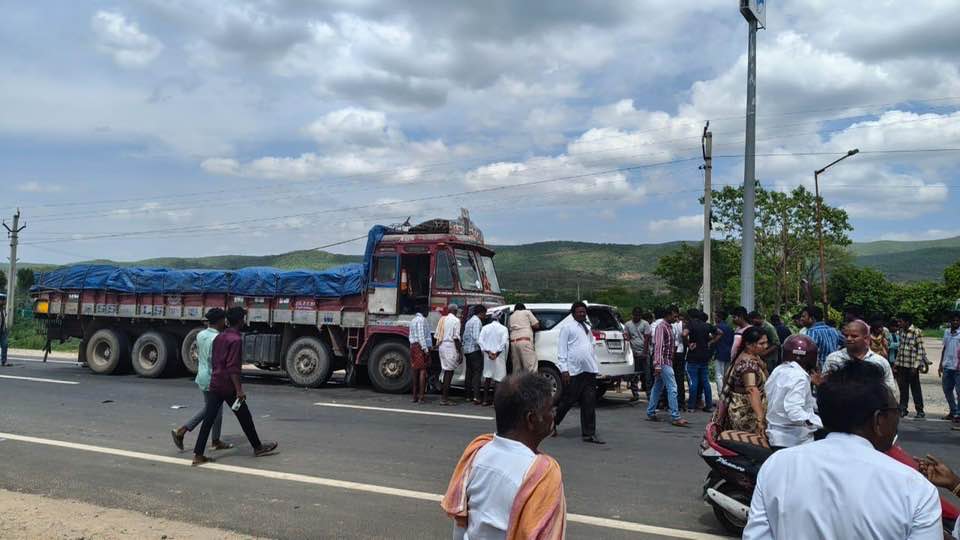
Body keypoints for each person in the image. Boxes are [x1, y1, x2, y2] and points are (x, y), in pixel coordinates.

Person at [743, 362, 941, 540]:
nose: (897, 419)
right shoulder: (914, 488)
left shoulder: (777, 466)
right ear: (879, 420)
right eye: (895, 411)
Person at [441, 373, 566, 539]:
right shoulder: (544, 474)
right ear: (531, 419)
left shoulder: (478, 452)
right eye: (550, 409)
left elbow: (460, 523)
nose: (554, 414)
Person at [192, 307, 277, 466]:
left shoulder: (219, 337)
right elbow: (233, 367)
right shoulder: (235, 340)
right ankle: (258, 448)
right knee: (245, 416)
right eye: (243, 318)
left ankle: (198, 455)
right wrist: (239, 390)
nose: (244, 321)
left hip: (215, 383)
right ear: (239, 321)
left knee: (208, 419)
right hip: (228, 386)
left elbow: (215, 361)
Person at [172, 308, 232, 452]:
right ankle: (182, 430)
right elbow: (217, 360)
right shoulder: (218, 338)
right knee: (211, 409)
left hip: (202, 376)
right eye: (224, 319)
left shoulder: (200, 334)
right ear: (219, 321)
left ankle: (216, 440)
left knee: (216, 409)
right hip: (213, 377)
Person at [554, 301, 605, 444]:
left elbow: (591, 348)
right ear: (573, 313)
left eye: (584, 311)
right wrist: (564, 370)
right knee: (567, 401)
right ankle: (554, 422)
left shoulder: (588, 328)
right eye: (579, 312)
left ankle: (589, 434)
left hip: (589, 371)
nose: (582, 314)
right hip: (574, 371)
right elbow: (562, 350)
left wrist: (595, 367)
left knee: (589, 402)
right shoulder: (567, 328)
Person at [764, 335, 822, 448]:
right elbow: (794, 411)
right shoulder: (800, 377)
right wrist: (818, 422)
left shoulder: (779, 370)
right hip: (793, 439)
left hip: (774, 431)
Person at [823, 320, 898, 400]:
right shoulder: (834, 359)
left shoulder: (879, 362)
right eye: (846, 335)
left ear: (866, 338)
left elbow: (890, 391)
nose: (848, 339)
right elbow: (824, 387)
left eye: (854, 336)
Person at [718, 326, 768, 435]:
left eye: (766, 343)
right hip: (747, 416)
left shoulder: (751, 358)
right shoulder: (747, 364)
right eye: (761, 343)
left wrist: (763, 366)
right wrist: (760, 419)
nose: (766, 346)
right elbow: (751, 389)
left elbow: (767, 380)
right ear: (749, 344)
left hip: (741, 412)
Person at [646, 305, 688, 427]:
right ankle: (675, 416)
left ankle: (650, 411)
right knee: (672, 388)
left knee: (658, 387)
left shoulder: (669, 327)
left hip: (666, 361)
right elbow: (658, 346)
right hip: (663, 362)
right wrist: (658, 364)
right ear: (668, 314)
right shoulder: (662, 327)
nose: (676, 318)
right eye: (674, 315)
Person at [685, 309, 720, 413]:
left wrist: (688, 344)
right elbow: (720, 333)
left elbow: (684, 333)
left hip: (693, 356)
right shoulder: (707, 325)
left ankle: (691, 406)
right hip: (704, 356)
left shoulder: (690, 324)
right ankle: (708, 405)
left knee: (693, 382)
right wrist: (711, 342)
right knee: (705, 381)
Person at [896, 313, 928, 419]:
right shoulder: (901, 332)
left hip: (912, 366)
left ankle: (920, 411)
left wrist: (915, 366)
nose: (899, 323)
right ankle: (903, 409)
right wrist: (896, 364)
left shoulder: (916, 332)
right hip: (902, 365)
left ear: (907, 322)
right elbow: (900, 349)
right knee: (903, 389)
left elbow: (920, 351)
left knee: (915, 389)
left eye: (901, 321)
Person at [478, 312, 509, 407]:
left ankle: (484, 400)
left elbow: (480, 341)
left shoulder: (485, 328)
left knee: (488, 377)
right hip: (498, 356)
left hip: (488, 356)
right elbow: (504, 342)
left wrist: (488, 352)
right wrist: (496, 353)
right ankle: (495, 402)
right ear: (499, 318)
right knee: (498, 379)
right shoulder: (504, 329)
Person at [799, 305, 843, 371]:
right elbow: (846, 343)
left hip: (820, 371)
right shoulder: (834, 330)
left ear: (812, 318)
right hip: (835, 369)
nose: (801, 319)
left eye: (803, 316)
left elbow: (807, 352)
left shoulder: (812, 332)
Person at [435, 304, 462, 406]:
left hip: (442, 346)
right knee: (449, 373)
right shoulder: (456, 321)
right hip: (450, 346)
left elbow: (437, 334)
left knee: (446, 371)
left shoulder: (442, 319)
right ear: (455, 311)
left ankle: (444, 397)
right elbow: (456, 337)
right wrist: (460, 352)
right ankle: (444, 398)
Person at [623, 307, 652, 400]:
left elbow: (647, 339)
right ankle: (635, 394)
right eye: (635, 315)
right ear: (633, 315)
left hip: (644, 352)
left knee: (647, 375)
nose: (637, 317)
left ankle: (649, 395)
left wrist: (644, 352)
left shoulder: (645, 324)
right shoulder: (628, 324)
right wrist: (631, 352)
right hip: (633, 352)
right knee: (634, 375)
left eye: (639, 315)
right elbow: (627, 338)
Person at [409, 305, 433, 404]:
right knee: (422, 370)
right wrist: (425, 349)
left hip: (413, 346)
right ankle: (421, 397)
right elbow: (421, 336)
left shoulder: (413, 320)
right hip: (420, 346)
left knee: (415, 370)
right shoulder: (421, 320)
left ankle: (414, 396)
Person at [462, 305, 485, 405]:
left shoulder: (469, 321)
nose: (484, 316)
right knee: (476, 373)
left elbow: (464, 336)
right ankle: (476, 396)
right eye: (484, 314)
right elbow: (476, 337)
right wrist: (484, 349)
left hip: (467, 350)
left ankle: (468, 395)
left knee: (469, 373)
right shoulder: (477, 321)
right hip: (474, 350)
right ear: (482, 313)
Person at [507, 303, 539, 373]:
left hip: (513, 342)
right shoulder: (527, 312)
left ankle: (518, 383)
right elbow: (536, 325)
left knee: (517, 369)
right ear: (523, 308)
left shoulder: (511, 316)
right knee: (530, 367)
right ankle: (530, 383)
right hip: (525, 341)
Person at [940, 312, 960, 422]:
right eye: (953, 320)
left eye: (957, 320)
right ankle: (953, 411)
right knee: (947, 390)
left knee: (959, 391)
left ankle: (958, 414)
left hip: (958, 367)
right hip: (947, 366)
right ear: (950, 322)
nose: (955, 322)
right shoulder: (947, 332)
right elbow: (944, 348)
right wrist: (940, 364)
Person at [714, 309, 735, 395]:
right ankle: (726, 393)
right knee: (726, 375)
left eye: (716, 316)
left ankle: (721, 394)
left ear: (720, 317)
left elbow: (714, 340)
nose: (715, 318)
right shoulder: (730, 328)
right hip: (728, 353)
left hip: (719, 353)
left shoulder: (717, 327)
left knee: (719, 375)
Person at [0, 295, 7, 367]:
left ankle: (3, 361)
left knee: (5, 345)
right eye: (3, 300)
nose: (5, 301)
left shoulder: (3, 309)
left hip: (3, 330)